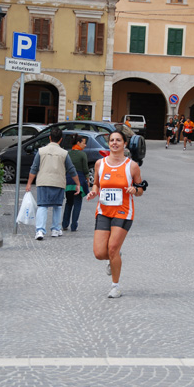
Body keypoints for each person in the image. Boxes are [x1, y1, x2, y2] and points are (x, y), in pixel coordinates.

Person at [86, 130, 146, 298]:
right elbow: (96, 184)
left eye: (118, 140)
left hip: (123, 212)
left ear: (124, 143)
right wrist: (93, 192)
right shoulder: (100, 164)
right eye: (112, 140)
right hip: (103, 211)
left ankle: (115, 286)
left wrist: (135, 190)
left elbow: (141, 190)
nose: (114, 143)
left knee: (112, 247)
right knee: (99, 253)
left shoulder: (131, 166)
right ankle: (115, 257)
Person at [25, 128, 81, 240]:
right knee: (57, 206)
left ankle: (40, 230)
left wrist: (29, 184)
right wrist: (78, 183)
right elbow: (71, 170)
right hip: (58, 182)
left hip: (43, 182)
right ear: (60, 140)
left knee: (42, 206)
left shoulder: (41, 151)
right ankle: (55, 229)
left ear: (49, 137)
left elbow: (34, 168)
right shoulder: (64, 153)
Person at [62, 134, 90, 232]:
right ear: (78, 143)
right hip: (79, 181)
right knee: (77, 203)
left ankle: (65, 224)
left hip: (68, 181)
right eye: (84, 143)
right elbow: (86, 169)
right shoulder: (83, 154)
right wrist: (87, 180)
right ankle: (74, 226)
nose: (85, 145)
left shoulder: (68, 153)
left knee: (69, 203)